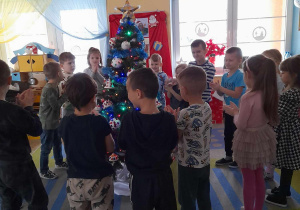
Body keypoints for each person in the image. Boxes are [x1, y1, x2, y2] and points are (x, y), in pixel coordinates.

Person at [224, 54, 278, 210]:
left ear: (248, 74)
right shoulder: (269, 92)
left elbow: (241, 124)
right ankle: (257, 208)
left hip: (248, 140)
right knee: (259, 177)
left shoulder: (248, 97)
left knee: (248, 179)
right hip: (262, 137)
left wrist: (235, 112)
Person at [118, 68, 177, 210]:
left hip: (140, 179)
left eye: (128, 90)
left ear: (138, 93)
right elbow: (172, 144)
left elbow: (122, 144)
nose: (128, 95)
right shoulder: (169, 119)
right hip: (163, 178)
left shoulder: (129, 118)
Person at [59, 73, 115, 210]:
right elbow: (111, 148)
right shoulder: (99, 121)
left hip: (74, 180)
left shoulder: (65, 122)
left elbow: (65, 145)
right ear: (93, 99)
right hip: (100, 180)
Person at [0, 59, 48, 209]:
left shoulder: (12, 110)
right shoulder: (12, 111)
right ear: (9, 80)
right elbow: (36, 129)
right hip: (18, 165)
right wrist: (27, 107)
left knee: (9, 200)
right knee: (38, 201)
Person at [166, 66, 212, 210]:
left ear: (183, 90)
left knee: (186, 199)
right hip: (204, 162)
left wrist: (173, 121)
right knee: (203, 195)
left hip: (188, 165)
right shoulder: (207, 107)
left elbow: (176, 137)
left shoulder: (185, 113)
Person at [265, 55, 300, 208]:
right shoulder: (293, 90)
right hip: (292, 130)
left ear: (294, 74)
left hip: (287, 134)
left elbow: (278, 115)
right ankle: (284, 190)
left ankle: (282, 196)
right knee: (288, 165)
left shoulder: (290, 94)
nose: (281, 74)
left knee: (286, 163)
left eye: (283, 72)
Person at [210, 47, 246, 168]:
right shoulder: (225, 76)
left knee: (238, 135)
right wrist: (217, 89)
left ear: (239, 60)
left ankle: (239, 158)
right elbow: (223, 94)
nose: (227, 62)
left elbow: (236, 94)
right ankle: (228, 156)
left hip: (238, 111)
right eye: (226, 60)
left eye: (231, 60)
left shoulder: (240, 75)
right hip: (228, 110)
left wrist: (221, 89)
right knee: (228, 134)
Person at [39, 62, 68, 179]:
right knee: (46, 148)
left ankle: (59, 162)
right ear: (57, 73)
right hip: (47, 124)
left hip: (54, 122)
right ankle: (43, 170)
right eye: (61, 71)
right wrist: (65, 95)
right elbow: (56, 106)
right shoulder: (49, 89)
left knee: (57, 143)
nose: (62, 73)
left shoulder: (55, 86)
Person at [262, 49, 284, 181]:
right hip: (268, 114)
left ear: (275, 63)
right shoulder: (270, 78)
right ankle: (267, 168)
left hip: (273, 115)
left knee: (271, 143)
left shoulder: (278, 80)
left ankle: (269, 170)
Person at [59, 52, 76, 117]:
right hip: (67, 106)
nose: (72, 65)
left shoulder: (75, 76)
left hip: (76, 105)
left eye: (73, 62)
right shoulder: (62, 78)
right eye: (69, 63)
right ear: (62, 66)